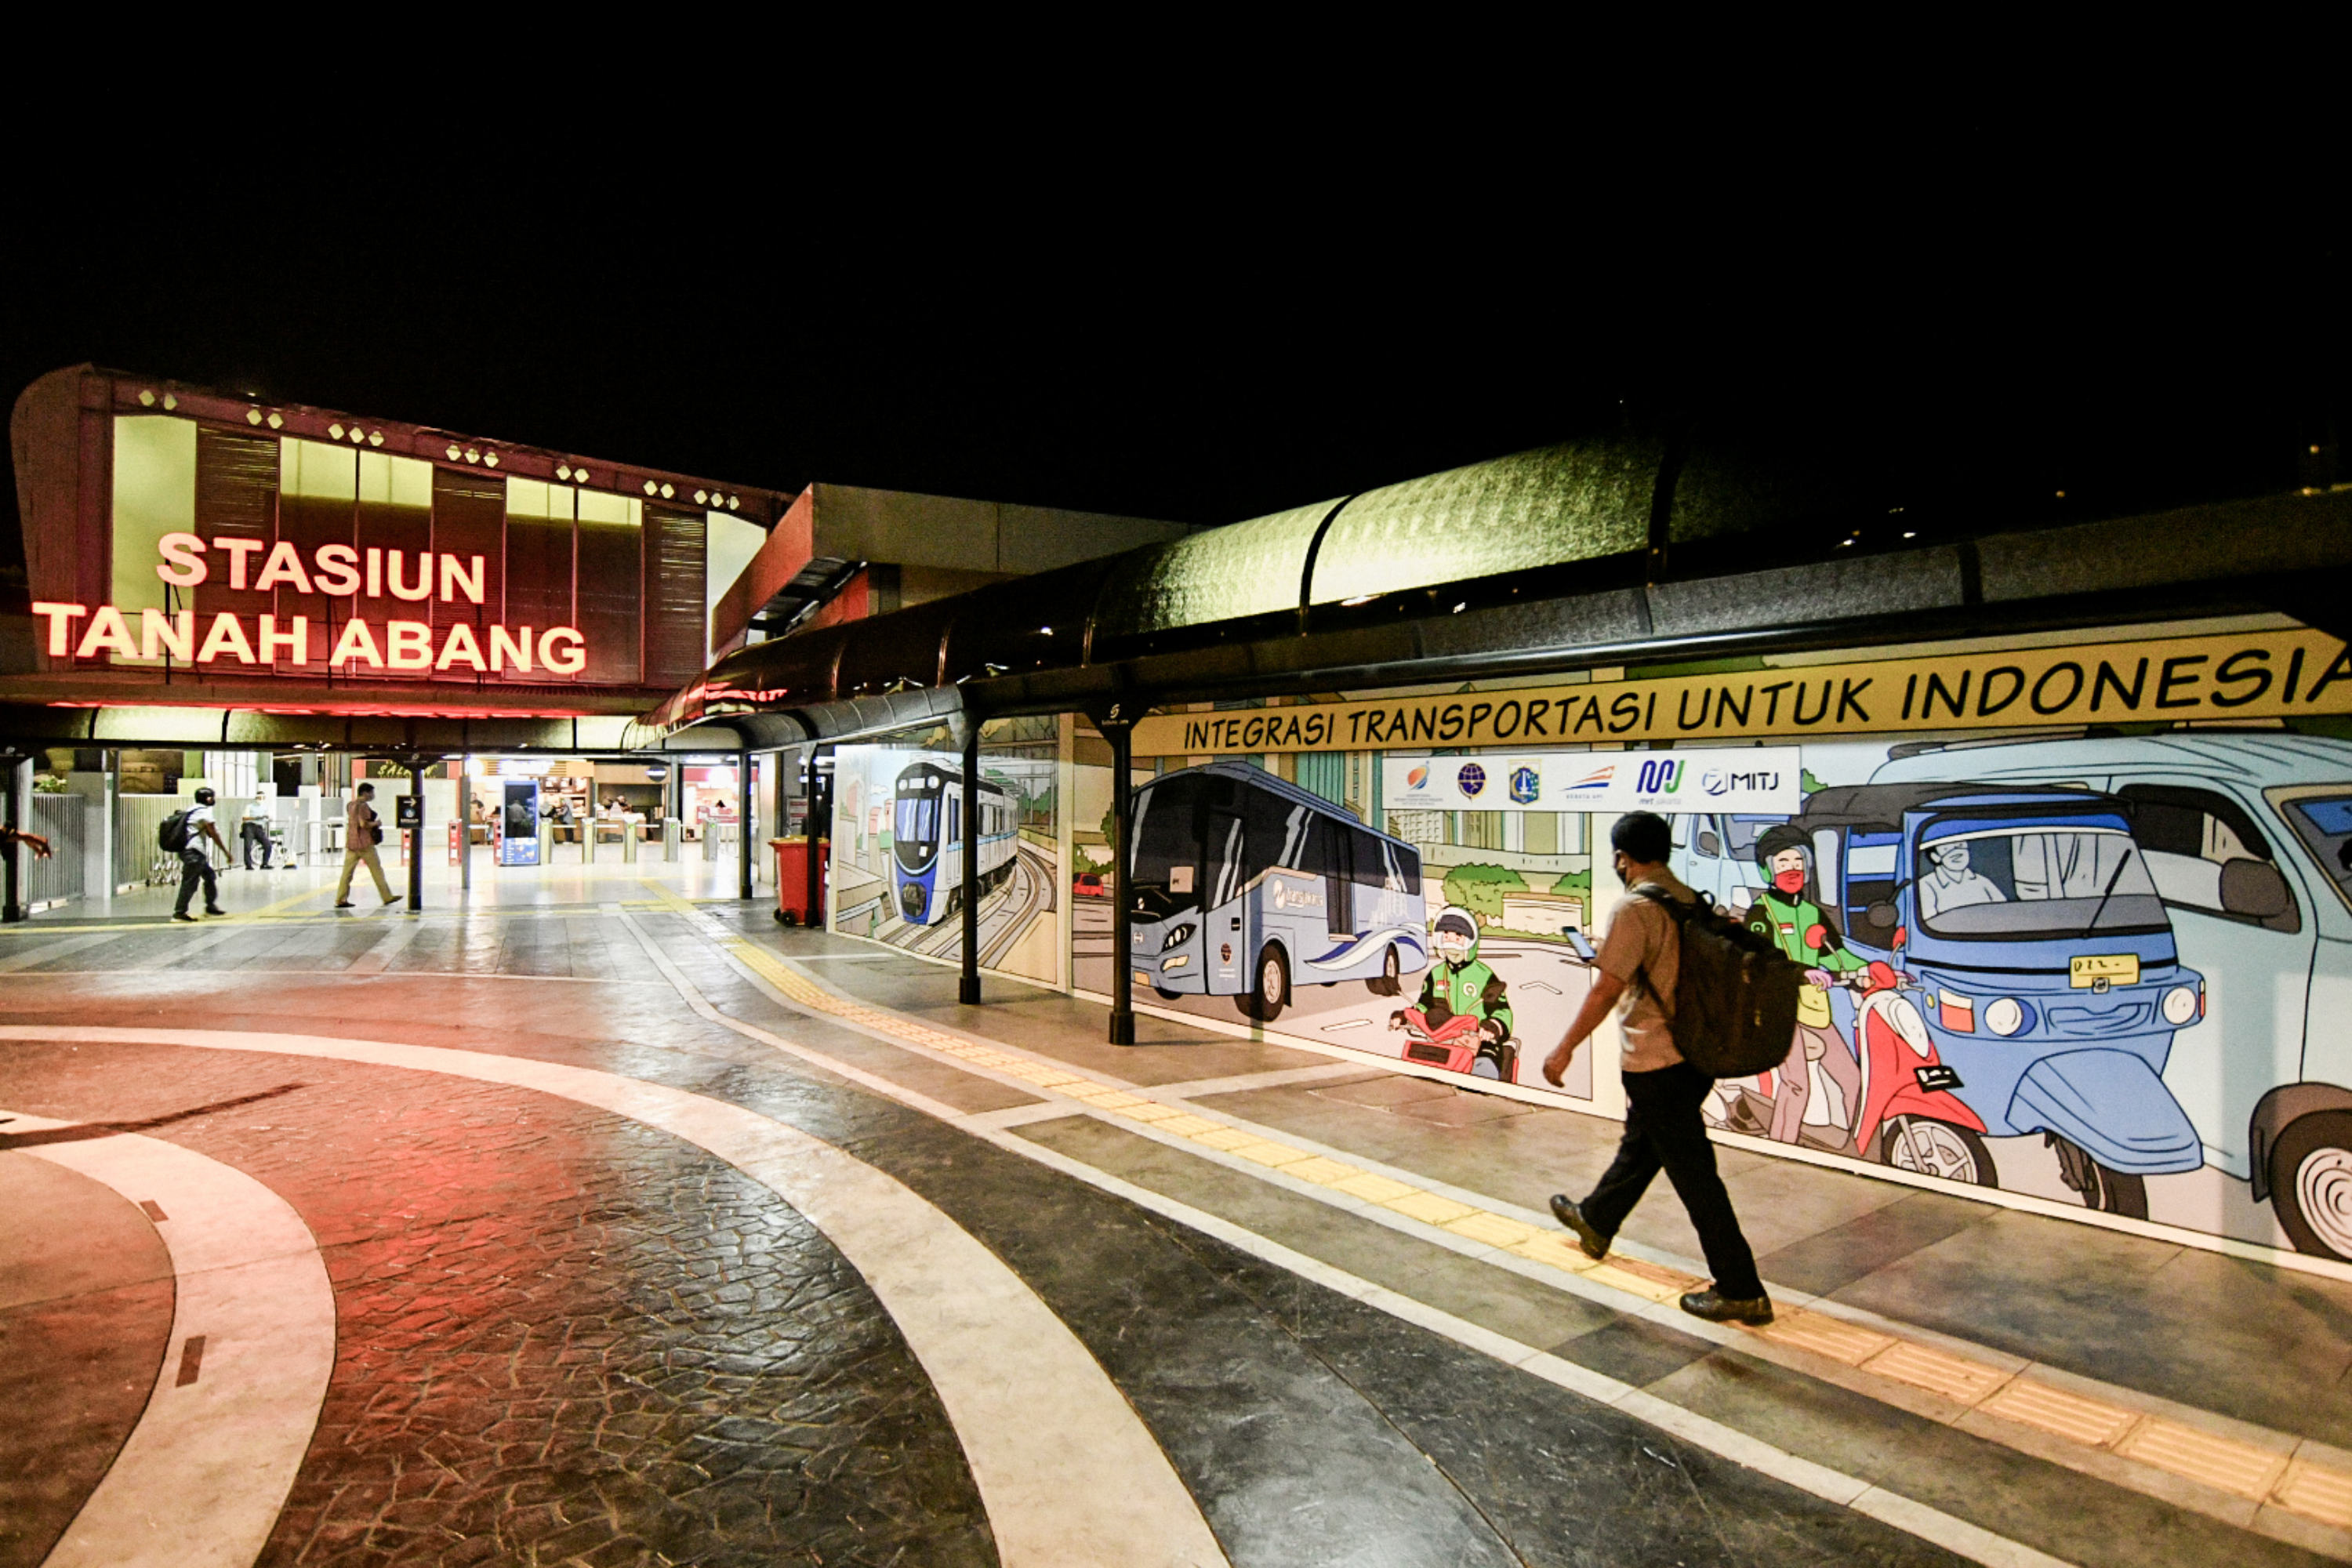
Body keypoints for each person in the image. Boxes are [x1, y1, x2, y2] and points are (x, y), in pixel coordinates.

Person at [1541, 811, 1772, 1326]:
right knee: (1642, 1144)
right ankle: (1597, 1220)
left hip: (1656, 1058)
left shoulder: (1634, 907)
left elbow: (1607, 988)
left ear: (1622, 857)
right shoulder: (1688, 900)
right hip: (1695, 1056)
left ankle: (1741, 1288)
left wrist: (1564, 1049)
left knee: (1695, 1175)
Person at [1743, 826, 1866, 1148]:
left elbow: (1839, 954)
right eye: (1782, 863)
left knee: (1853, 1080)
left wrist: (1872, 970)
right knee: (1797, 1084)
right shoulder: (1761, 912)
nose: (1792, 869)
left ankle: (1857, 1149)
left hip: (1812, 1008)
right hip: (1777, 1008)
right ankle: (1781, 1147)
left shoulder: (1813, 914)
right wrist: (1803, 972)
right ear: (1767, 869)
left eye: (1798, 861)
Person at [1389, 906, 1516, 1080]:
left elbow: (1502, 1010)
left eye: (1458, 937)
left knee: (1483, 1070)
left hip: (1479, 1041)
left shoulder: (1484, 975)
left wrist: (1493, 1026)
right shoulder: (1436, 974)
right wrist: (1404, 1016)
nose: (1451, 943)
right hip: (1444, 1039)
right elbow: (1424, 1005)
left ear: (1470, 941)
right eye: (1446, 936)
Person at [336, 782, 399, 909]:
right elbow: (363, 824)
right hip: (365, 844)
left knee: (347, 873)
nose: (373, 795)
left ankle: (341, 899)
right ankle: (387, 897)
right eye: (372, 792)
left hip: (352, 844)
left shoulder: (351, 805)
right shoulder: (363, 806)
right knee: (377, 871)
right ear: (365, 793)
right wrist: (376, 824)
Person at [172, 786, 231, 923]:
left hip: (189, 851)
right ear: (208, 798)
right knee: (190, 882)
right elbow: (214, 833)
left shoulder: (191, 809)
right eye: (212, 797)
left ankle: (210, 906)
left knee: (209, 875)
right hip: (193, 852)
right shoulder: (204, 813)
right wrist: (226, 852)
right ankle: (179, 912)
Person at [1918, 838, 2005, 920]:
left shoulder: (1982, 881)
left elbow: (2003, 911)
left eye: (1960, 845)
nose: (1957, 853)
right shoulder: (1926, 885)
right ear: (1935, 857)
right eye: (1946, 848)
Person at [239, 796, 274, 869]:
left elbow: (270, 817)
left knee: (268, 845)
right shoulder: (249, 806)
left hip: (259, 827)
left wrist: (267, 818)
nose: (260, 800)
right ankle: (248, 865)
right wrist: (256, 818)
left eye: (262, 798)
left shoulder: (265, 807)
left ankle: (265, 863)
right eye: (259, 798)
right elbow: (244, 818)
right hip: (249, 826)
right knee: (248, 846)